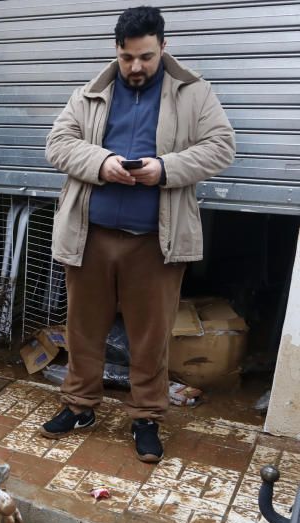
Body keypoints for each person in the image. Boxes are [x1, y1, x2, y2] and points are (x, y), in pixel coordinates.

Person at [41, 6, 235, 463]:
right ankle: (79, 406)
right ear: (117, 50)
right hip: (92, 235)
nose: (136, 67)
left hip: (156, 240)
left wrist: (165, 169)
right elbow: (58, 143)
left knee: (151, 336)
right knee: (83, 330)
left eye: (146, 57)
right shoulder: (92, 91)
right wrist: (102, 163)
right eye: (128, 57)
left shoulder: (194, 92)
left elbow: (221, 146)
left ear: (163, 48)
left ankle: (146, 416)